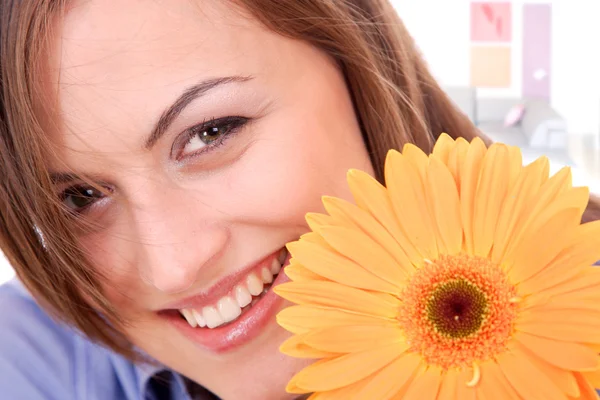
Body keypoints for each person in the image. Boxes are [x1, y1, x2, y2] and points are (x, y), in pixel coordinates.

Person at [0, 1, 598, 399]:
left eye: (211, 133)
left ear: (356, 62)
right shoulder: (33, 360)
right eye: (79, 197)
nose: (174, 265)